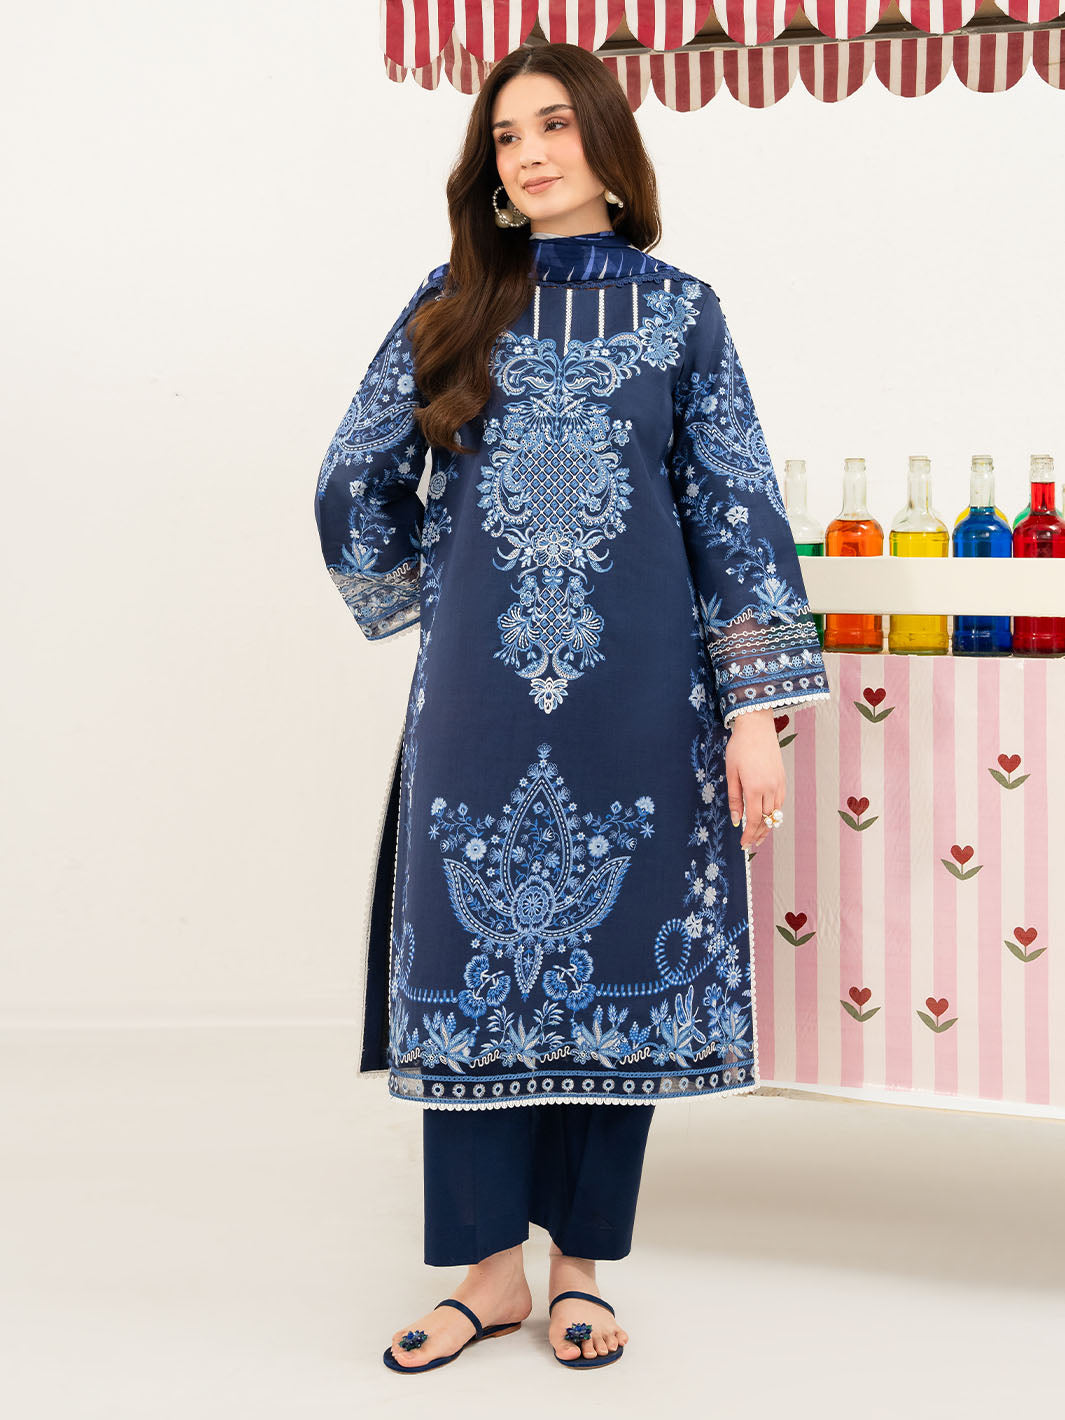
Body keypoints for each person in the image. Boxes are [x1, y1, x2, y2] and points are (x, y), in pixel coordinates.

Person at [313, 41, 831, 1374]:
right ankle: (489, 1275)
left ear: (606, 140)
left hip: (644, 700)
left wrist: (753, 713)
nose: (530, 152)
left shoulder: (682, 313)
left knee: (615, 956)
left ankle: (580, 1271)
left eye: (553, 125)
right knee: (475, 962)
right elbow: (352, 478)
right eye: (505, 136)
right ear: (487, 169)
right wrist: (445, 594)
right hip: (482, 703)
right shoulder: (452, 305)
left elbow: (734, 510)